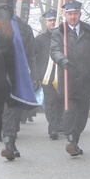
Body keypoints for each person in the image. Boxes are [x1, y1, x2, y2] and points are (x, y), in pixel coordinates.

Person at [50, 1, 90, 156]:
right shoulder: (59, 32)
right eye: (69, 14)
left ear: (80, 14)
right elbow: (54, 50)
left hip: (86, 79)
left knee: (82, 114)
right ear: (65, 15)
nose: (73, 17)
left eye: (75, 13)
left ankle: (75, 139)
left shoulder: (89, 31)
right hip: (68, 79)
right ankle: (71, 139)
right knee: (70, 110)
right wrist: (63, 60)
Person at [0, 11, 37, 160]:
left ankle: (9, 142)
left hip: (15, 74)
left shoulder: (24, 27)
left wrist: (34, 76)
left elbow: (31, 54)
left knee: (12, 108)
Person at [35, 9, 63, 140]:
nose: (52, 22)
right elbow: (35, 58)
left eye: (54, 20)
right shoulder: (40, 39)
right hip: (46, 76)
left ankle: (59, 124)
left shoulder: (64, 37)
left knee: (60, 101)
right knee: (50, 102)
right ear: (46, 23)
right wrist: (37, 75)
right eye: (50, 20)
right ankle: (53, 128)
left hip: (62, 74)